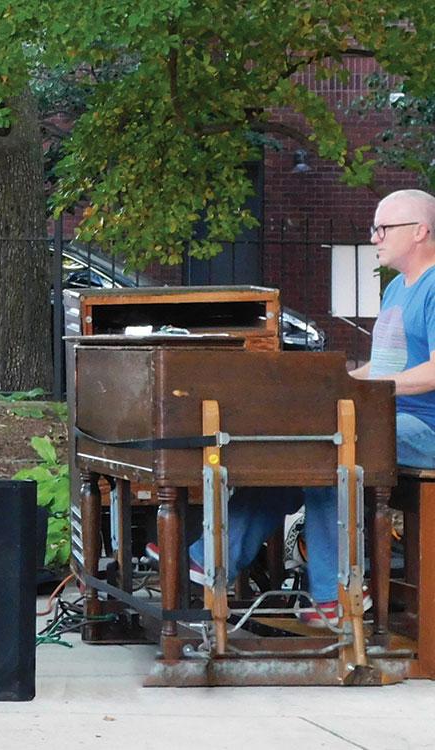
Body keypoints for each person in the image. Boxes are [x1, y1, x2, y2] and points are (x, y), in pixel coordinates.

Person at [155, 188, 435, 627]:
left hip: (425, 428)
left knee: (326, 450)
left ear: (420, 231)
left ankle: (335, 596)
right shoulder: (397, 288)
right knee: (289, 450)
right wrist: (330, 386)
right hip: (390, 418)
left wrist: (365, 391)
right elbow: (383, 368)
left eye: (383, 228)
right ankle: (210, 560)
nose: (374, 237)